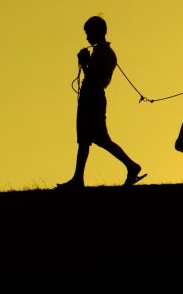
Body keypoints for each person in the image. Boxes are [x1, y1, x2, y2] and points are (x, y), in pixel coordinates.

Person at [57, 16, 145, 189]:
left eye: (89, 33)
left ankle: (130, 166)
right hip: (92, 97)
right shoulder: (104, 52)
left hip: (92, 98)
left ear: (98, 32)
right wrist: (87, 62)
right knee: (88, 139)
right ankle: (79, 178)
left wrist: (84, 63)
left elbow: (97, 78)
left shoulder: (103, 53)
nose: (87, 37)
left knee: (95, 139)